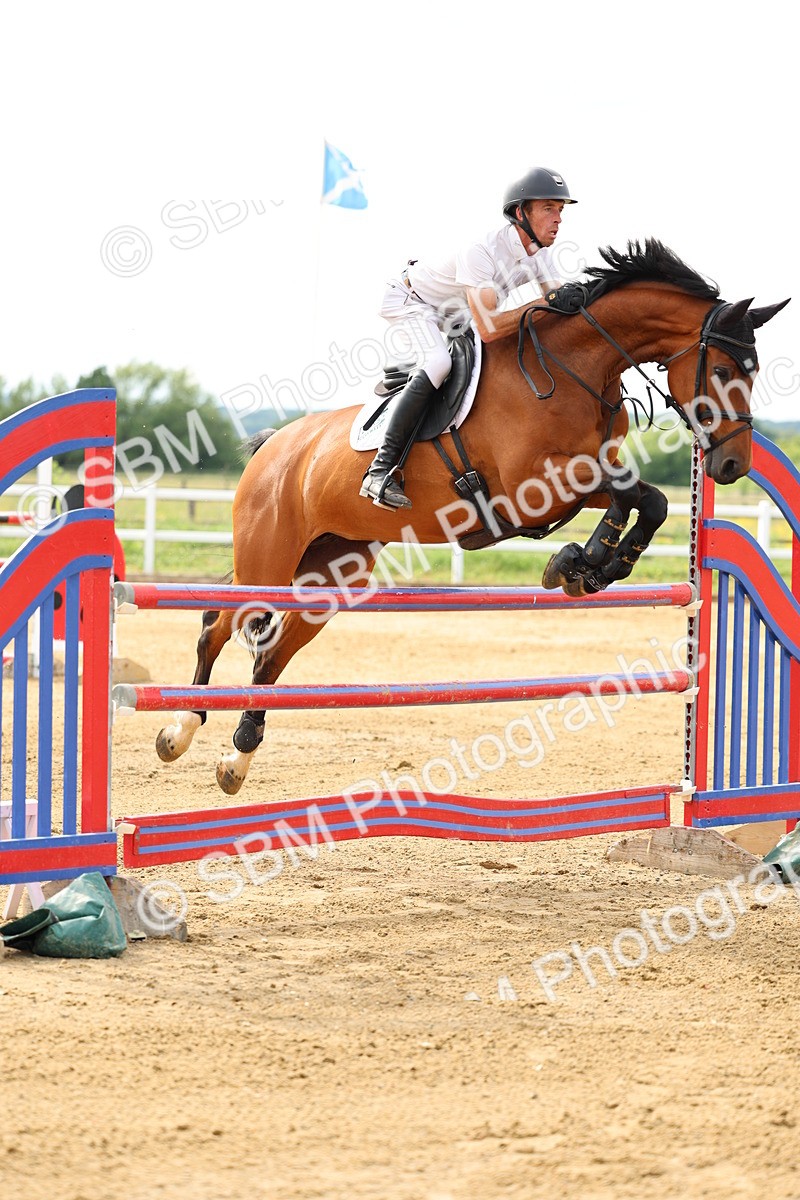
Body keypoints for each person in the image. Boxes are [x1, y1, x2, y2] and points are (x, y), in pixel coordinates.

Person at [360, 167, 578, 510]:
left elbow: (560, 306)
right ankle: (379, 471)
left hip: (456, 314)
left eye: (561, 210)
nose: (558, 219)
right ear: (521, 212)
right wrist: (547, 302)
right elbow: (492, 327)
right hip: (412, 301)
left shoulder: (540, 255)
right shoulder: (482, 250)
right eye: (549, 208)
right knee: (437, 361)